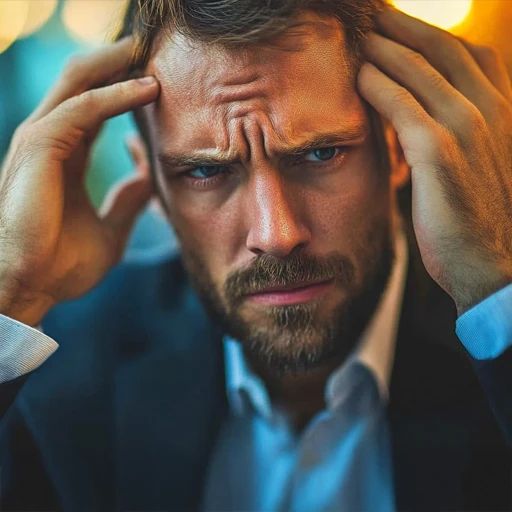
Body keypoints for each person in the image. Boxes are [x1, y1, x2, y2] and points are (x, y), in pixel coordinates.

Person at [0, 0, 511, 510]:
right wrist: (12, 292)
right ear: (151, 184)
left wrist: (495, 284)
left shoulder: (494, 342)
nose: (277, 233)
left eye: (320, 153)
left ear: (399, 149)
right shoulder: (62, 373)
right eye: (204, 171)